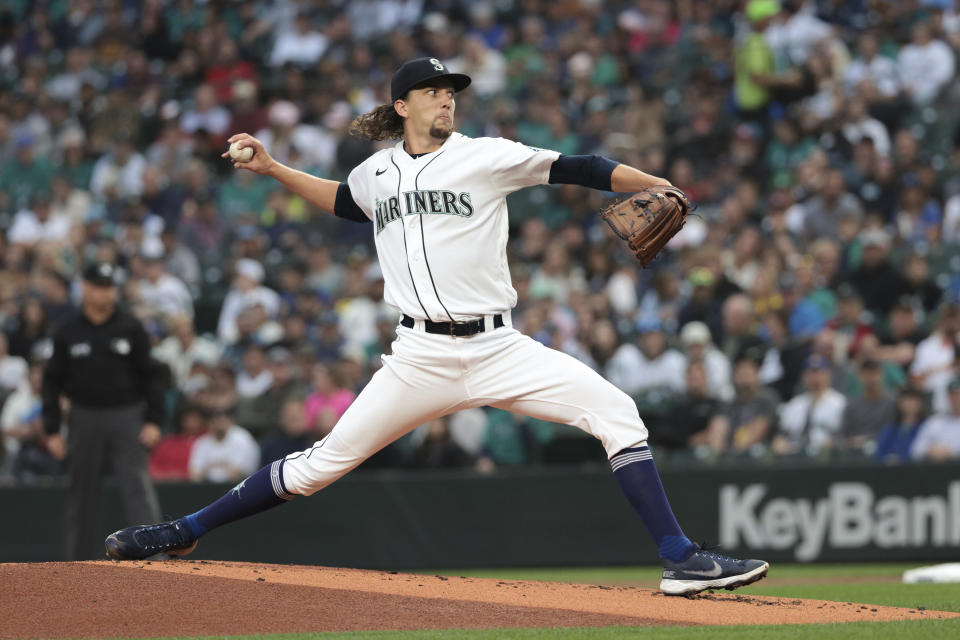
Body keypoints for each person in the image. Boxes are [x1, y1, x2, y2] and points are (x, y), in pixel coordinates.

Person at [105, 57, 767, 596]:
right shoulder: (376, 173)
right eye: (434, 91)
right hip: (418, 356)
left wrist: (656, 182)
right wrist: (274, 168)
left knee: (618, 412)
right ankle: (183, 530)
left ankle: (679, 558)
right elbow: (342, 202)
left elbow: (581, 168)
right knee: (315, 469)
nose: (447, 99)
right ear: (403, 106)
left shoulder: (486, 155)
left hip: (498, 346)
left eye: (452, 91)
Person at [42, 262, 167, 560]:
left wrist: (154, 419)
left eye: (110, 287)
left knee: (137, 488)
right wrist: (51, 429)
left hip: (126, 414)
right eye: (99, 287)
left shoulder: (130, 326)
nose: (106, 294)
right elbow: (51, 381)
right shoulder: (67, 331)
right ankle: (79, 562)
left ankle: (155, 558)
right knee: (81, 492)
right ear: (85, 288)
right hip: (83, 416)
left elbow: (152, 374)